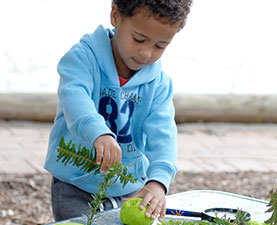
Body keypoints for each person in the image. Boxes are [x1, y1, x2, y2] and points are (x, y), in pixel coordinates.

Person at [44, 0, 192, 222]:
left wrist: (158, 181)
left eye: (160, 46)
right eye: (139, 39)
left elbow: (163, 136)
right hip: (75, 183)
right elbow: (75, 99)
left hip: (130, 186)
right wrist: (99, 133)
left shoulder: (159, 83)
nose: (146, 53)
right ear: (115, 16)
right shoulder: (82, 58)